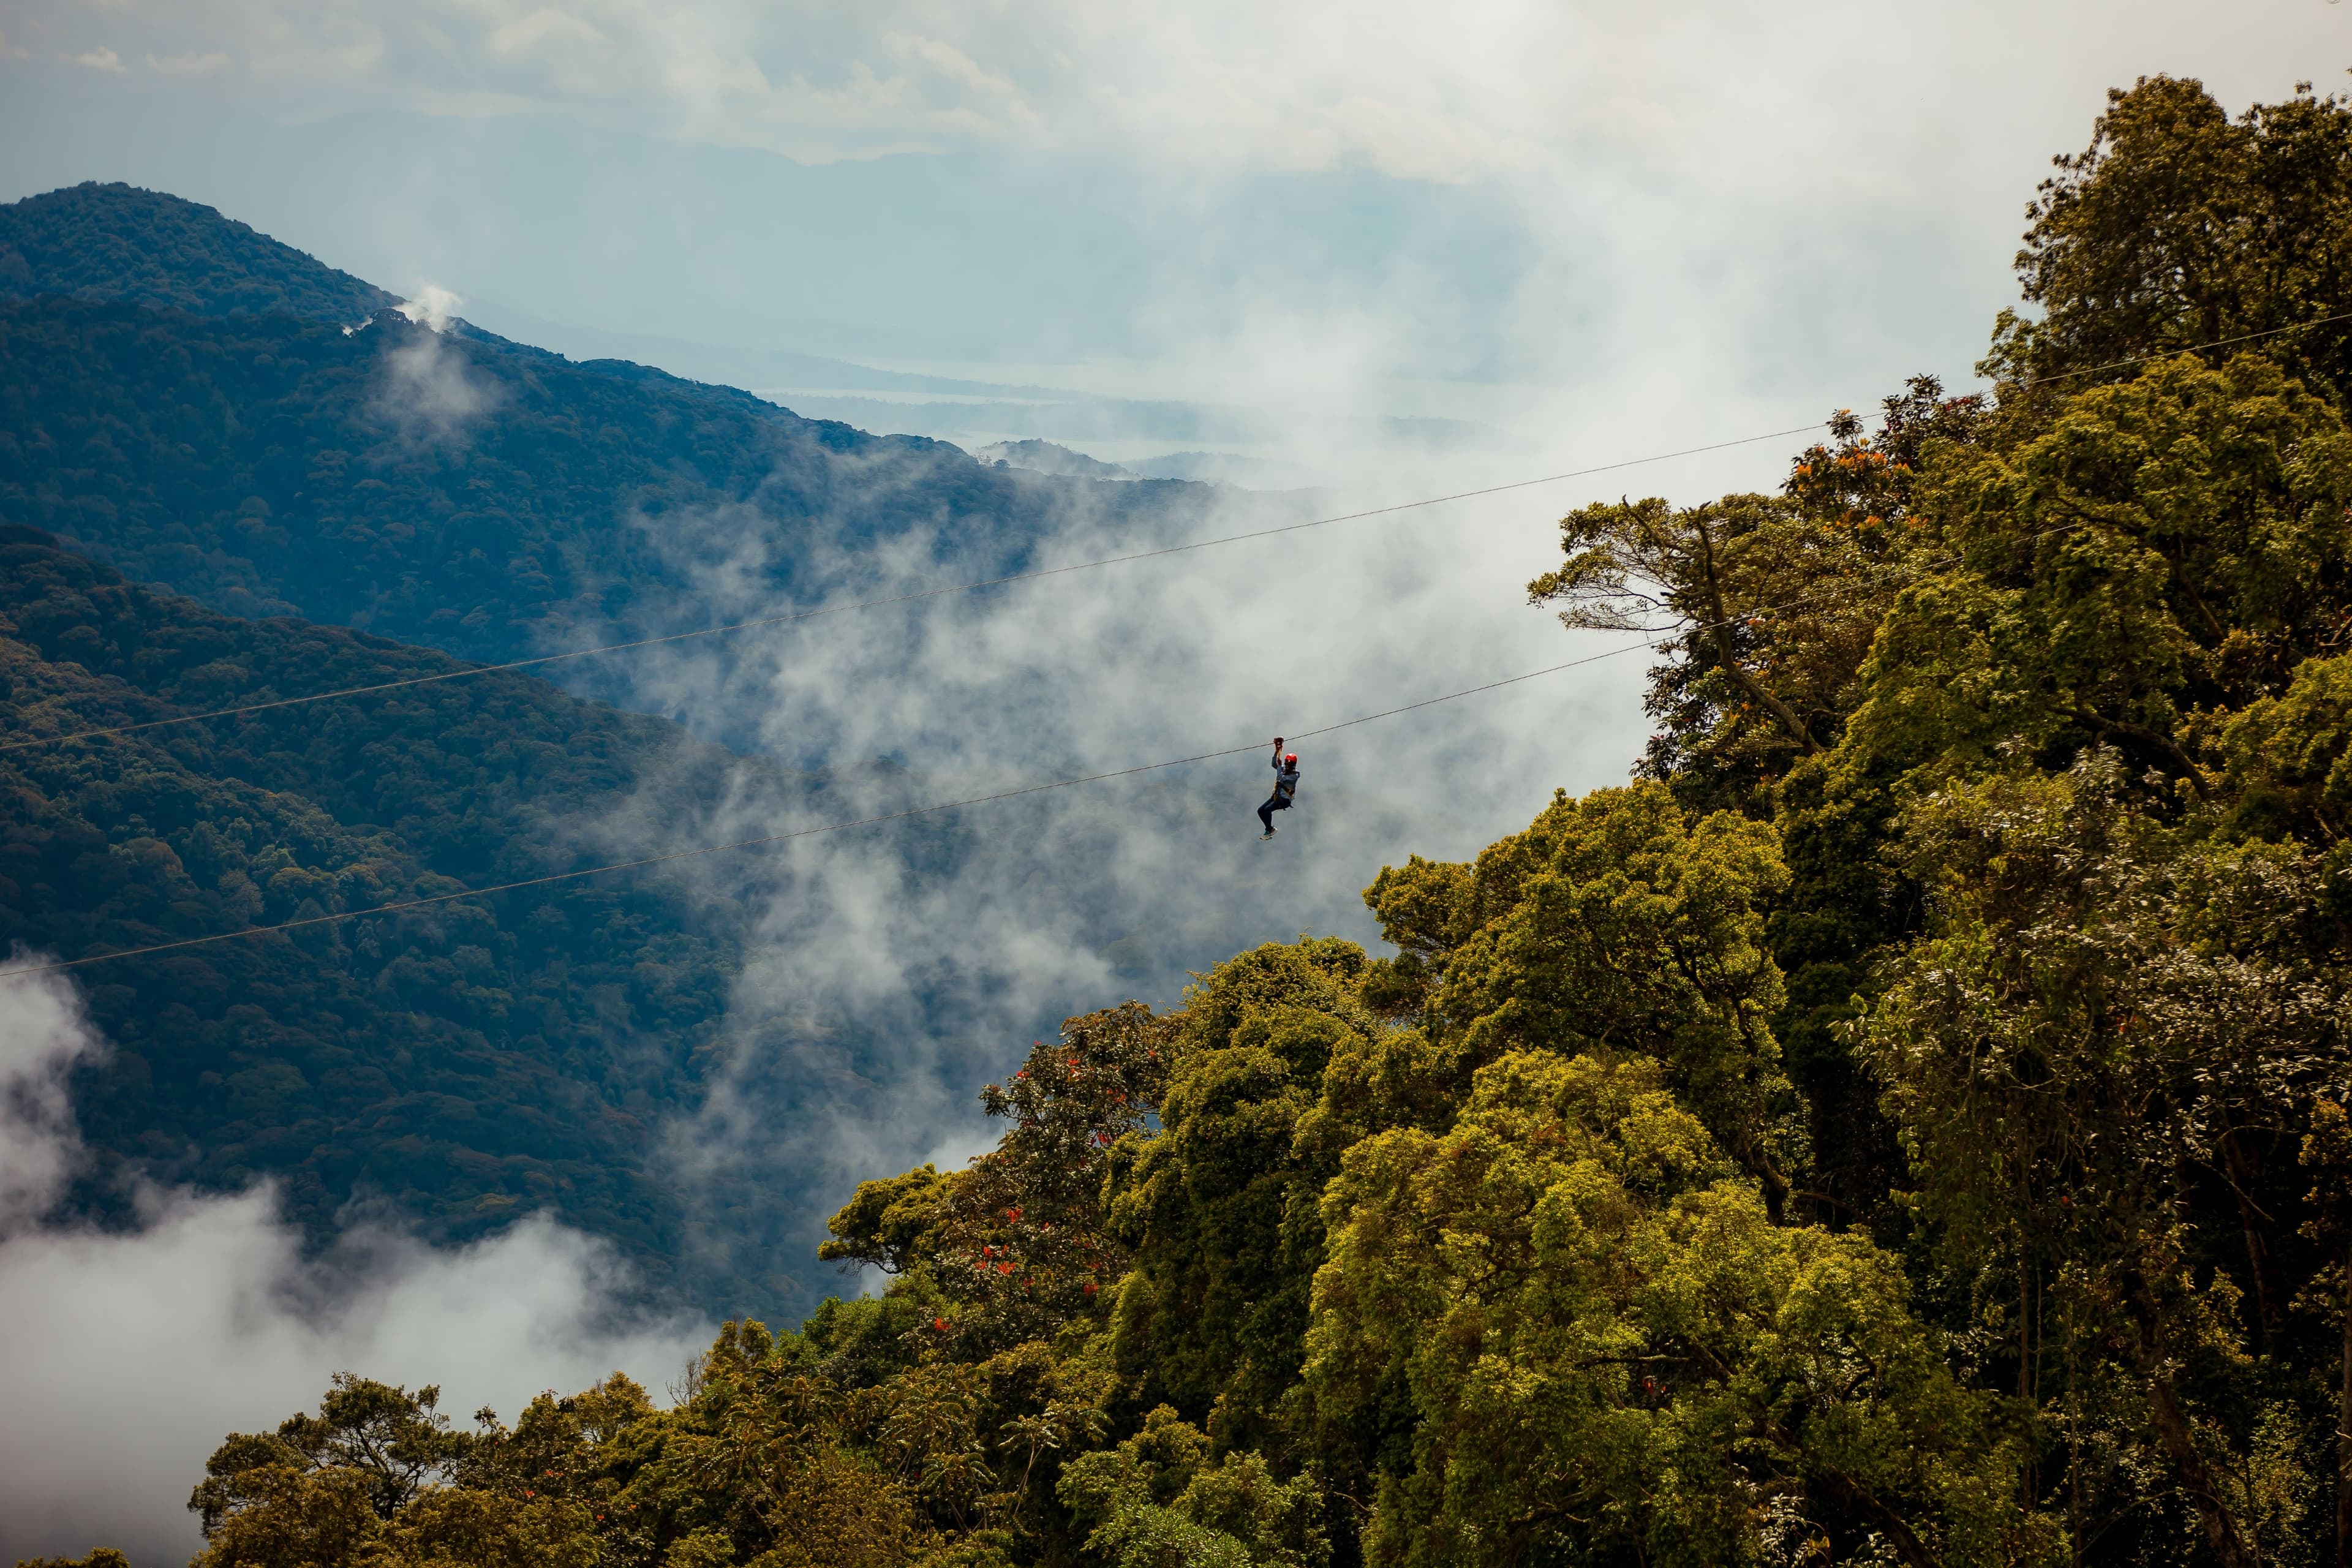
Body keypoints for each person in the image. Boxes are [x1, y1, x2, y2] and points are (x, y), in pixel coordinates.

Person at [1258, 739, 1300, 839]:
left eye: (1289, 763)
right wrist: (1277, 751)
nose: (1288, 765)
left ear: (1293, 765)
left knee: (1267, 810)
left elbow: (1281, 778)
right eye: (1287, 763)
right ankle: (1269, 828)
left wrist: (1280, 766)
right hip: (1276, 797)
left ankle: (1269, 830)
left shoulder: (1295, 775)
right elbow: (1274, 764)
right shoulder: (1284, 769)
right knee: (1260, 811)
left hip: (1284, 800)